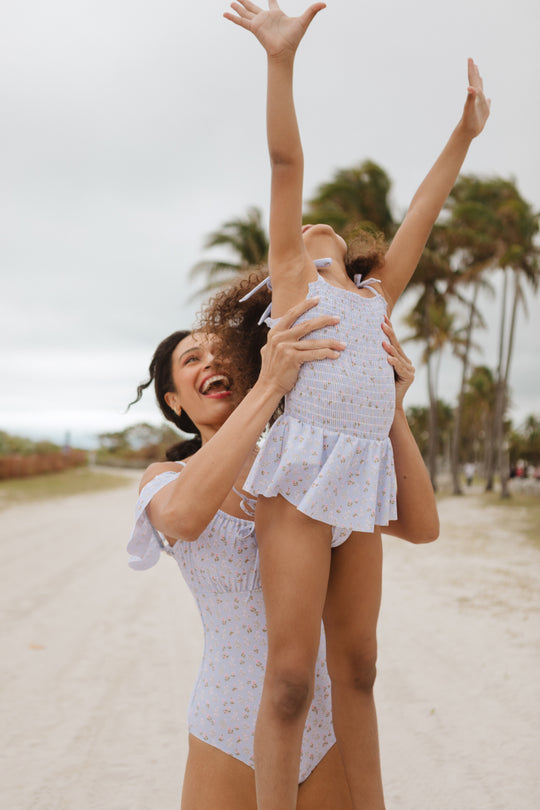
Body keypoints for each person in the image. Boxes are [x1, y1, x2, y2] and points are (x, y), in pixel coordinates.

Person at [223, 2, 490, 807]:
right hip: (303, 473)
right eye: (304, 229)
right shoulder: (296, 286)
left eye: (329, 229)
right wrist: (280, 60)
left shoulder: (376, 297)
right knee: (293, 679)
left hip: (363, 480)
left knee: (362, 668)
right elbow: (284, 167)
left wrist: (465, 133)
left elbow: (423, 213)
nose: (317, 224)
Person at [127, 299, 438, 810]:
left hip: (324, 727)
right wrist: (271, 387)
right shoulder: (166, 479)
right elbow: (183, 519)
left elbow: (422, 525)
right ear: (173, 401)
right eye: (192, 360)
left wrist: (392, 407)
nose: (210, 364)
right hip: (228, 724)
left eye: (220, 355)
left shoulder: (306, 471)